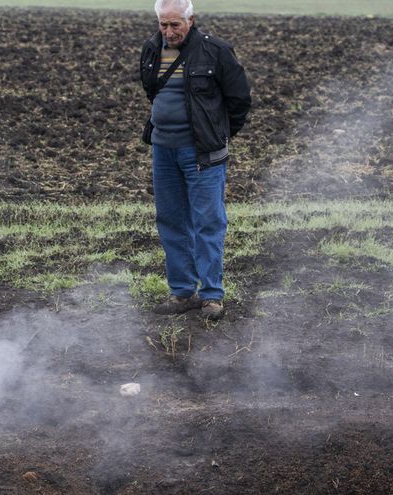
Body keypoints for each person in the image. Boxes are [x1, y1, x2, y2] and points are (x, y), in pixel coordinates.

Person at [139, 0, 251, 320]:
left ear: (191, 20)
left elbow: (239, 100)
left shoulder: (215, 51)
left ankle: (212, 295)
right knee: (171, 221)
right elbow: (153, 93)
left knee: (208, 223)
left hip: (202, 153)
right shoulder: (151, 49)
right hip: (163, 150)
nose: (169, 31)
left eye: (175, 24)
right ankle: (182, 292)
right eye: (163, 25)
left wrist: (218, 134)